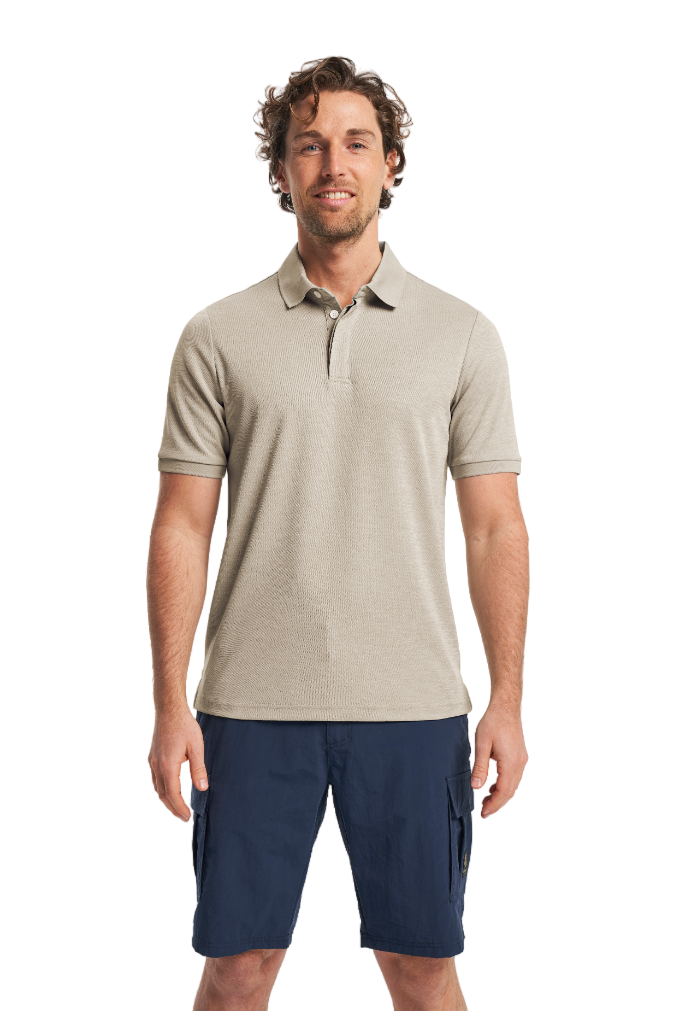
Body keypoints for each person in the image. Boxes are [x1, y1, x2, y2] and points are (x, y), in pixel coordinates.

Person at [148, 54, 529, 1011]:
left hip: (415, 702)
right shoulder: (216, 337)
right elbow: (181, 527)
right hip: (247, 704)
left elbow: (496, 527)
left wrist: (506, 700)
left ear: (390, 165)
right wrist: (169, 706)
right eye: (310, 145)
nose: (334, 164)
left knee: (421, 970)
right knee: (237, 971)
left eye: (357, 143)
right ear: (281, 172)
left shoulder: (463, 334)